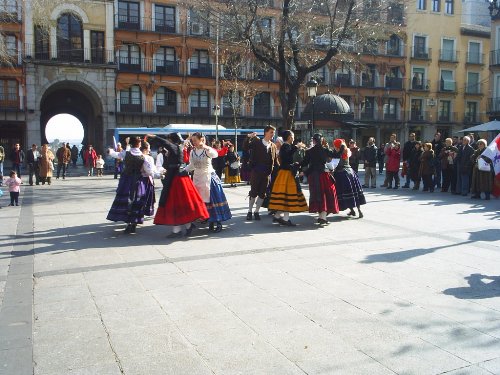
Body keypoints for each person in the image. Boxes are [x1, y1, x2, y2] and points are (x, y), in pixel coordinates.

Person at [150, 133, 209, 238]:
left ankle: (180, 230)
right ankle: (185, 227)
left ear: (172, 141)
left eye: (169, 140)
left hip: (177, 180)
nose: (168, 142)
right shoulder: (176, 149)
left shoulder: (175, 148)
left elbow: (166, 144)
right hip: (176, 178)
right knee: (178, 205)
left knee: (176, 204)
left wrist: (155, 137)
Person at [106, 137, 156, 234]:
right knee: (136, 202)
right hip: (138, 181)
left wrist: (110, 151)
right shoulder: (143, 156)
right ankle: (133, 224)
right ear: (139, 145)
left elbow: (116, 154)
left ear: (131, 144)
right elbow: (149, 171)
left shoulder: (126, 152)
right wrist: (160, 174)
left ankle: (128, 223)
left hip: (126, 180)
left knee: (126, 201)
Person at [186, 133, 231, 233]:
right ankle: (208, 219)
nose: (193, 142)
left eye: (195, 140)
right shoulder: (193, 152)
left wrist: (206, 147)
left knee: (213, 201)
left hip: (209, 178)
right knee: (201, 201)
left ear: (201, 139)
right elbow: (192, 165)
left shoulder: (207, 150)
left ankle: (218, 222)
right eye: (192, 141)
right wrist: (183, 171)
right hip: (197, 179)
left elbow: (215, 154)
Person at [268, 130, 308, 226]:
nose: (294, 138)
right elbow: (286, 157)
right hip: (287, 173)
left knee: (285, 197)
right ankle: (285, 219)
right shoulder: (286, 146)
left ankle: (278, 216)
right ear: (290, 137)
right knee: (288, 196)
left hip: (285, 173)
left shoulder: (286, 146)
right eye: (293, 136)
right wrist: (296, 147)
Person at [301, 133, 339, 225]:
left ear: (313, 141)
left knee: (317, 194)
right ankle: (322, 217)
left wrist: (302, 170)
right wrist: (341, 148)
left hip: (313, 176)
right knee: (326, 195)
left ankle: (321, 216)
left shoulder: (310, 151)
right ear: (321, 140)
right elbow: (336, 155)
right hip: (323, 175)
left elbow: (305, 163)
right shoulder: (325, 149)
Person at [243, 126, 278, 221]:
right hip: (256, 171)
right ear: (266, 133)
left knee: (262, 194)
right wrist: (248, 137)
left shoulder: (273, 146)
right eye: (271, 132)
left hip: (266, 174)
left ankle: (256, 211)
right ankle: (250, 211)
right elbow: (246, 147)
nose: (273, 135)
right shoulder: (256, 142)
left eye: (273, 133)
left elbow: (275, 161)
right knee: (253, 192)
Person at [332, 139, 366, 218]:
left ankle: (352, 210)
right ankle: (358, 210)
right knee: (354, 192)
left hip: (342, 174)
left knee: (345, 194)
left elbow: (336, 164)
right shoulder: (347, 150)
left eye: (334, 145)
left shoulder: (338, 153)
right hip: (350, 172)